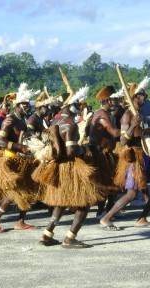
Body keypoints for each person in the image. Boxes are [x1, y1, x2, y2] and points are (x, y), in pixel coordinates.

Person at [36, 93, 106, 248]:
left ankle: (47, 234)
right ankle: (70, 238)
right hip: (70, 167)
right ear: (73, 106)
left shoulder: (56, 120)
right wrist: (84, 148)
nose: (83, 109)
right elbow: (70, 152)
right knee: (84, 202)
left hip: (58, 168)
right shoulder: (70, 125)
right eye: (81, 106)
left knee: (61, 202)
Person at [100, 79, 150, 230]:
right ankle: (106, 218)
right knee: (132, 193)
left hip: (145, 155)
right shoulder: (127, 116)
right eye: (142, 94)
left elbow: (140, 133)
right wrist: (133, 125)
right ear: (135, 97)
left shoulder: (140, 113)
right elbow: (123, 140)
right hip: (134, 157)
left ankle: (142, 218)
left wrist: (148, 132)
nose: (145, 97)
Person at [0, 83, 38, 232]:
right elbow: (0, 141)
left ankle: (21, 221)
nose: (27, 107)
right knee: (13, 192)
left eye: (28, 104)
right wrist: (19, 147)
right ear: (17, 105)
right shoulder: (10, 120)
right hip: (11, 160)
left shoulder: (23, 120)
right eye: (24, 104)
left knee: (28, 189)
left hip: (24, 160)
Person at [89, 85, 121, 218]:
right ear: (108, 101)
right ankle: (103, 212)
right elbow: (113, 132)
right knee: (107, 183)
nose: (117, 102)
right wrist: (130, 128)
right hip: (100, 154)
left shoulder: (106, 114)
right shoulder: (101, 115)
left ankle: (107, 211)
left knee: (111, 182)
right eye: (114, 100)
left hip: (106, 153)